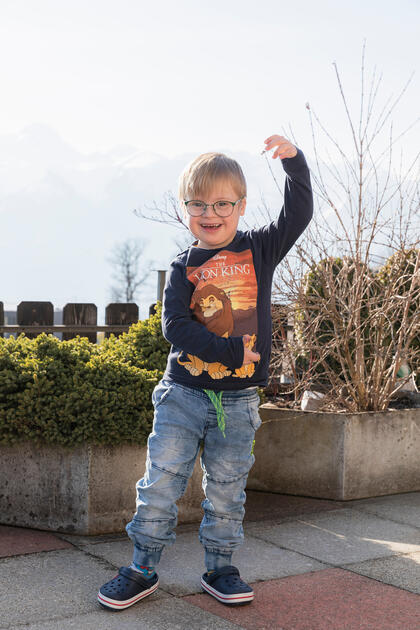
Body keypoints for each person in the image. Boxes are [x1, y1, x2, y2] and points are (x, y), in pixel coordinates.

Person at [97, 135, 313, 610]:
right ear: (185, 208)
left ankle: (221, 568)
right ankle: (141, 567)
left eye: (222, 203)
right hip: (183, 394)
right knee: (161, 483)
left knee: (227, 490)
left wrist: (295, 165)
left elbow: (297, 216)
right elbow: (175, 328)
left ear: (240, 206)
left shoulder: (260, 250)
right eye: (199, 204)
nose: (210, 213)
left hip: (239, 402)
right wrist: (232, 351)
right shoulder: (184, 267)